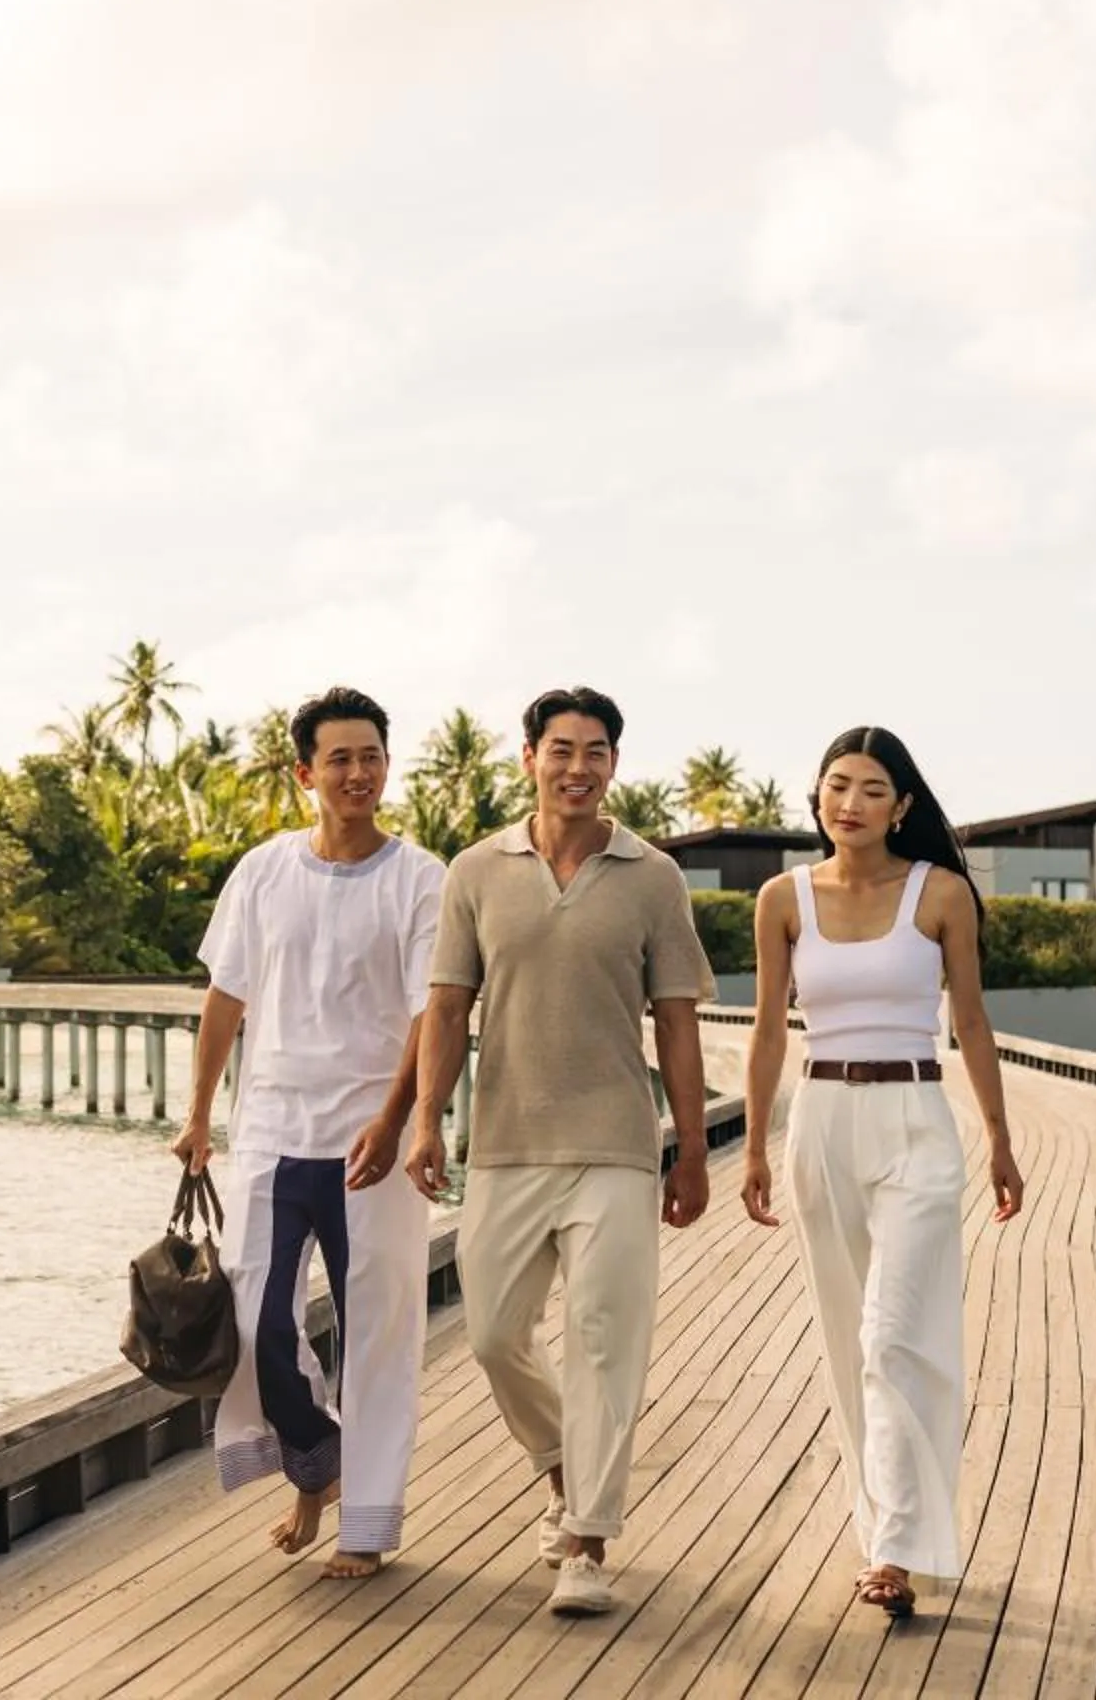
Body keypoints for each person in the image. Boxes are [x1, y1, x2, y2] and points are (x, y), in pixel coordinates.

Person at [404, 685, 712, 1619]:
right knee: (495, 1334)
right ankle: (562, 1467)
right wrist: (426, 1119)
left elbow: (679, 1021)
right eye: (562, 750)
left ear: (614, 764)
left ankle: (587, 1539)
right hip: (503, 1143)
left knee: (606, 1342)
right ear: (530, 755)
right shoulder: (476, 871)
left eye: (597, 752)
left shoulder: (653, 875)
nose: (578, 768)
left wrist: (691, 1148)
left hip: (618, 1144)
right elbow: (448, 1008)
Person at [740, 725, 1024, 1622]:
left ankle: (897, 1550)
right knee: (847, 1338)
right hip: (821, 1122)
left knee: (895, 1336)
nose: (849, 802)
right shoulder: (782, 898)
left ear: (902, 805)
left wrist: (1000, 1139)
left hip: (914, 1121)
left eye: (870, 788)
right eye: (836, 785)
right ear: (816, 797)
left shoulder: (940, 896)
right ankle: (887, 1532)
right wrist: (751, 1145)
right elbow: (767, 1030)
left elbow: (971, 1023)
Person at [173, 686, 446, 1579]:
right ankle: (318, 1462)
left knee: (377, 1329)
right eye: (340, 759)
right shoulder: (262, 871)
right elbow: (226, 998)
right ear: (306, 773)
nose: (358, 773)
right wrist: (198, 1116)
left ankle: (365, 1524)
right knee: (254, 1323)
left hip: (374, 1140)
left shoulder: (421, 879)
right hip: (272, 1128)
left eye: (371, 756)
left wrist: (400, 1118)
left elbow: (429, 1017)